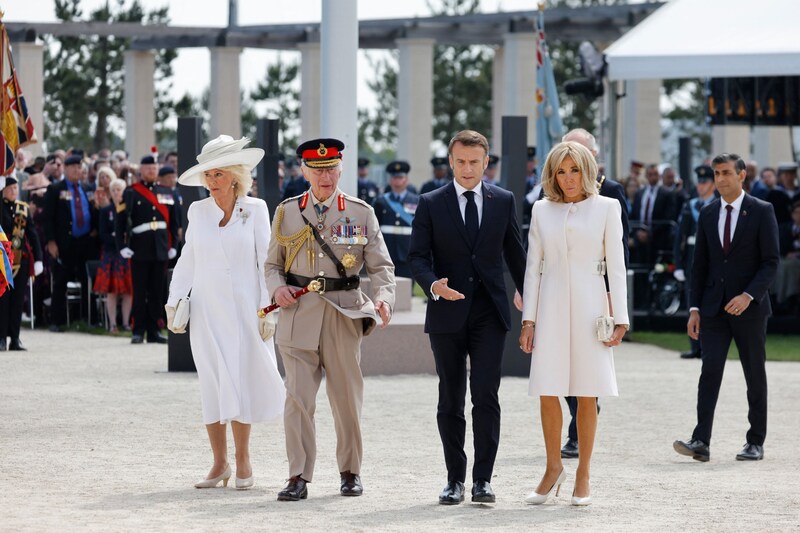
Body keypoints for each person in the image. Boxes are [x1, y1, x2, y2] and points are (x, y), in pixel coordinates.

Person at [266, 137, 395, 502]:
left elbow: (382, 266)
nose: (325, 176)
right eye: (317, 169)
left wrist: (384, 298)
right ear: (304, 171)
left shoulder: (359, 212)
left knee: (346, 399)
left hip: (343, 313)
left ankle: (350, 471)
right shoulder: (288, 212)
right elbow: (272, 265)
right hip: (298, 315)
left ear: (341, 169)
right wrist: (277, 289)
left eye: (331, 168)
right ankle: (297, 476)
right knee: (297, 399)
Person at [409, 130, 526, 506]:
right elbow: (417, 257)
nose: (467, 168)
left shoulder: (503, 201)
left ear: (486, 163)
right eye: (460, 161)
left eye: (474, 162)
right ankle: (454, 480)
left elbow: (516, 255)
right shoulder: (430, 202)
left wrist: (530, 297)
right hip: (446, 311)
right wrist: (432, 285)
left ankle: (483, 481)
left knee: (486, 397)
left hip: (490, 313)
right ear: (450, 161)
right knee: (450, 397)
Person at [167, 135, 285, 490]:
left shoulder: (257, 209)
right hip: (206, 310)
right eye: (207, 175)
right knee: (213, 383)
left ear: (235, 176)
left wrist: (269, 309)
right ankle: (219, 464)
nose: (212, 181)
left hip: (246, 310)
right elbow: (188, 257)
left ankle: (244, 460)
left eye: (218, 174)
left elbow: (266, 262)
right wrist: (175, 299)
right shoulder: (197, 211)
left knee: (241, 380)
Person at [519, 141, 628, 506]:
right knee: (547, 389)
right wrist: (528, 320)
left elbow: (617, 267)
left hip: (591, 308)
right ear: (552, 174)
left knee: (587, 391)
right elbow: (533, 268)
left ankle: (583, 472)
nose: (568, 178)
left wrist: (621, 319)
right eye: (561, 171)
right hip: (549, 308)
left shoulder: (607, 208)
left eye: (574, 170)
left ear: (588, 170)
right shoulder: (541, 211)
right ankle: (553, 468)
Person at [674, 153, 779, 463]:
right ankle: (701, 440)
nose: (720, 179)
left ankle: (755, 441)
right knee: (709, 372)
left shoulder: (762, 211)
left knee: (754, 374)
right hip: (713, 310)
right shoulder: (706, 213)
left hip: (750, 309)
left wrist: (749, 295)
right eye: (716, 173)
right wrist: (694, 308)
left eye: (726, 173)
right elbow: (700, 265)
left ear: (742, 175)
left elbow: (771, 262)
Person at [557, 127, 630, 460]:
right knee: (562, 367)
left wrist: (614, 297)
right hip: (562, 294)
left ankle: (577, 433)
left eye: (577, 152)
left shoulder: (610, 193)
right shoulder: (553, 194)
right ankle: (578, 424)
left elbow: (618, 248)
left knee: (589, 365)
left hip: (596, 290)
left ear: (594, 156)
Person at [115, 155, 179, 344]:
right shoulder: (131, 192)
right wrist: (122, 247)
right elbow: (120, 223)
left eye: (154, 168)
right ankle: (138, 330)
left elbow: (174, 224)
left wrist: (173, 245)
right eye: (148, 168)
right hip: (139, 248)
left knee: (157, 292)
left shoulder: (166, 191)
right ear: (140, 170)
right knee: (139, 290)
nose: (151, 171)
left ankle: (154, 330)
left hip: (160, 247)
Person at [43, 155, 97, 332]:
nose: (76, 170)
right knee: (60, 282)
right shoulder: (55, 189)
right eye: (72, 166)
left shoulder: (88, 189)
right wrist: (51, 242)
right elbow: (48, 218)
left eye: (78, 166)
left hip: (85, 242)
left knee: (87, 281)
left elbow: (93, 211)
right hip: (64, 242)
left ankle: (88, 319)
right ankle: (56, 321)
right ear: (65, 169)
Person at [673, 165, 716, 359]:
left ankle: (708, 346)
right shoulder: (690, 206)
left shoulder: (719, 204)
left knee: (710, 306)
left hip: (713, 263)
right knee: (693, 305)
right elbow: (679, 238)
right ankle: (695, 346)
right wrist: (679, 265)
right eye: (699, 182)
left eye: (705, 182)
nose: (701, 186)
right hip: (692, 261)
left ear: (713, 184)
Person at [0, 177, 43, 350]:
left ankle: (15, 338)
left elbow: (32, 235)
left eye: (15, 187)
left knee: (18, 301)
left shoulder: (22, 209)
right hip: (3, 261)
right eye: (10, 187)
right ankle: (1, 338)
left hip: (20, 259)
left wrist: (39, 258)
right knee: (3, 300)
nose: (13, 190)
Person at [95, 178, 133, 332]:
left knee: (129, 292)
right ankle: (112, 324)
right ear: (110, 193)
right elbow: (102, 234)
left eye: (120, 189)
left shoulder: (130, 209)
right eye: (114, 190)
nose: (117, 192)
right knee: (112, 292)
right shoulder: (106, 211)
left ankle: (125, 323)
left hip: (128, 255)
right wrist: (118, 239)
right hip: (111, 254)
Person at [373, 160, 419, 279]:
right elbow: (374, 227)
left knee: (406, 289)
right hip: (386, 251)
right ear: (390, 180)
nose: (397, 181)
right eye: (394, 178)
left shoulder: (417, 201)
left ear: (406, 180)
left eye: (400, 177)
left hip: (408, 251)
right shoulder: (381, 202)